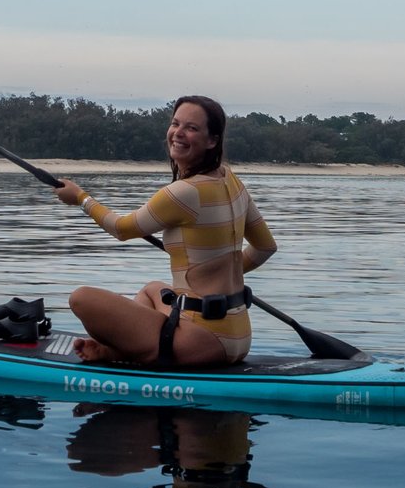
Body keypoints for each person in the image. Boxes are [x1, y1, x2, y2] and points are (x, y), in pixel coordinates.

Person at [54, 95, 277, 366]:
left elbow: (121, 229)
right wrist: (218, 275)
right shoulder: (230, 179)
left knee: (81, 298)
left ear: (212, 141)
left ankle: (121, 353)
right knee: (152, 290)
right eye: (176, 124)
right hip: (239, 335)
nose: (178, 133)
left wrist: (80, 198)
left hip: (202, 341)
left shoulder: (183, 193)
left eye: (192, 128)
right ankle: (121, 350)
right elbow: (265, 247)